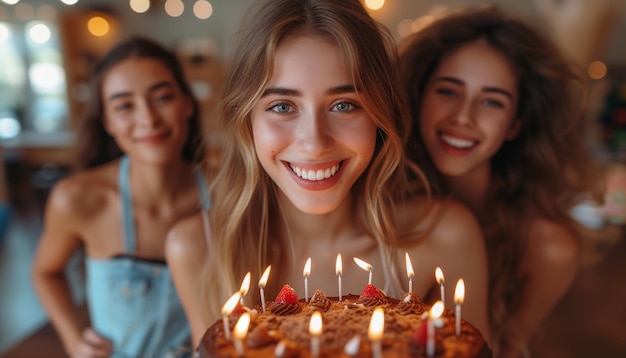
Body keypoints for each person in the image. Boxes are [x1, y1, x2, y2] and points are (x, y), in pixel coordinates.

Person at [166, 0, 491, 350]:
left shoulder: (445, 237)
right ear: (246, 121)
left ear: (380, 116)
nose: (315, 143)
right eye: (282, 106)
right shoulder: (198, 249)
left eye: (344, 105)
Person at [399, 6, 614, 357]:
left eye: (491, 102)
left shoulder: (549, 245)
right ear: (418, 96)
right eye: (448, 91)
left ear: (516, 123)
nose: (463, 117)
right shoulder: (378, 204)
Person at [32, 36, 208, 358]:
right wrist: (74, 341)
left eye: (163, 97)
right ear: (108, 122)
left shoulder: (228, 194)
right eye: (125, 105)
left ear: (187, 103)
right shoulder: (77, 199)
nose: (148, 118)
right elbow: (45, 272)